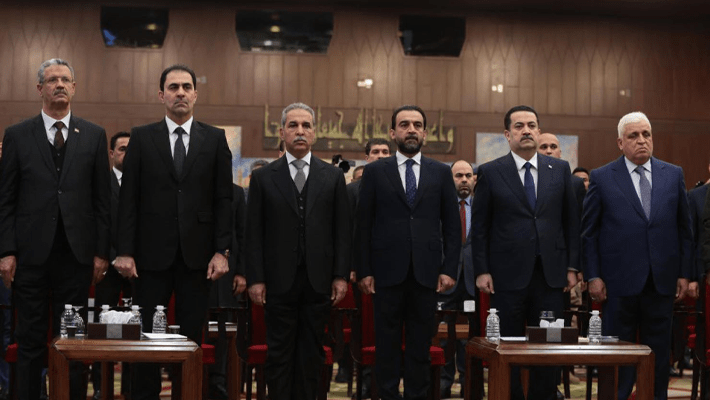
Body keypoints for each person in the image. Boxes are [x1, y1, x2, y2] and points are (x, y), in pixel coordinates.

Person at [114, 64, 233, 400]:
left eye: (186, 87)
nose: (180, 92)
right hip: (150, 257)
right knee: (146, 338)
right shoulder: (142, 137)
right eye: (173, 87)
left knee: (191, 340)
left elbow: (224, 199)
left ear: (195, 94)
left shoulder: (215, 138)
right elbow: (129, 199)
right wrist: (124, 251)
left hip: (199, 257)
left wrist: (222, 251)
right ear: (161, 95)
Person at [0, 58, 111, 400]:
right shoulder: (17, 135)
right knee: (30, 340)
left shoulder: (93, 135)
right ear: (40, 89)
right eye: (52, 80)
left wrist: (101, 253)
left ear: (74, 88)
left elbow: (102, 200)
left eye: (65, 79)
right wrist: (6, 251)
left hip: (76, 257)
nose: (59, 84)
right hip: (30, 257)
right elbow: (6, 199)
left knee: (73, 340)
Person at [471, 105, 579, 400]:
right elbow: (480, 227)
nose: (526, 130)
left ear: (539, 131)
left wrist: (572, 267)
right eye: (519, 126)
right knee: (508, 347)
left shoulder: (560, 169)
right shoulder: (491, 172)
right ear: (508, 135)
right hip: (505, 277)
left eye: (532, 125)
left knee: (548, 346)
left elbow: (571, 222)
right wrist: (481, 270)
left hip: (550, 276)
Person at [245, 102, 351, 400]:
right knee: (278, 355)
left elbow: (342, 232)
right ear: (282, 133)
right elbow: (253, 233)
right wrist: (256, 278)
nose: (300, 131)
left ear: (314, 133)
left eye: (306, 126)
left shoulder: (332, 177)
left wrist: (340, 275)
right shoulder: (264, 177)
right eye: (293, 125)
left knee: (311, 355)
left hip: (319, 282)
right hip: (277, 282)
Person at [583, 111, 691, 400]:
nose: (642, 140)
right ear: (620, 143)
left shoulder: (673, 174)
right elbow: (589, 233)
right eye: (633, 136)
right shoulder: (602, 177)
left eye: (646, 134)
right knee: (618, 355)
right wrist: (593, 276)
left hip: (661, 281)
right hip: (617, 284)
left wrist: (684, 273)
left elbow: (685, 229)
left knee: (658, 355)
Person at [355, 105, 460, 400]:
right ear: (393, 133)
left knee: (420, 348)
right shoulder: (375, 172)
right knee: (386, 348)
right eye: (404, 125)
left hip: (427, 274)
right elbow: (362, 225)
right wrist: (364, 270)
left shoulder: (441, 172)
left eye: (417, 125)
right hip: (385, 274)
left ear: (425, 133)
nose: (411, 129)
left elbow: (452, 227)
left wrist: (449, 269)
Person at [91, 131, 133, 399]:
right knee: (103, 330)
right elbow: (97, 224)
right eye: (122, 149)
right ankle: (100, 387)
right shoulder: (101, 184)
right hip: (106, 266)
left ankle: (130, 387)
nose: (126, 154)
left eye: (131, 149)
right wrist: (114, 257)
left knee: (134, 331)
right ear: (111, 153)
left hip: (136, 269)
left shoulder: (142, 184)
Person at [439, 160, 477, 399]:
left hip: (473, 282)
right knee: (442, 336)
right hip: (445, 279)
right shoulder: (440, 206)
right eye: (458, 175)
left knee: (469, 338)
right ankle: (443, 382)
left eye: (468, 175)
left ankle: (468, 383)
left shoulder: (482, 206)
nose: (464, 180)